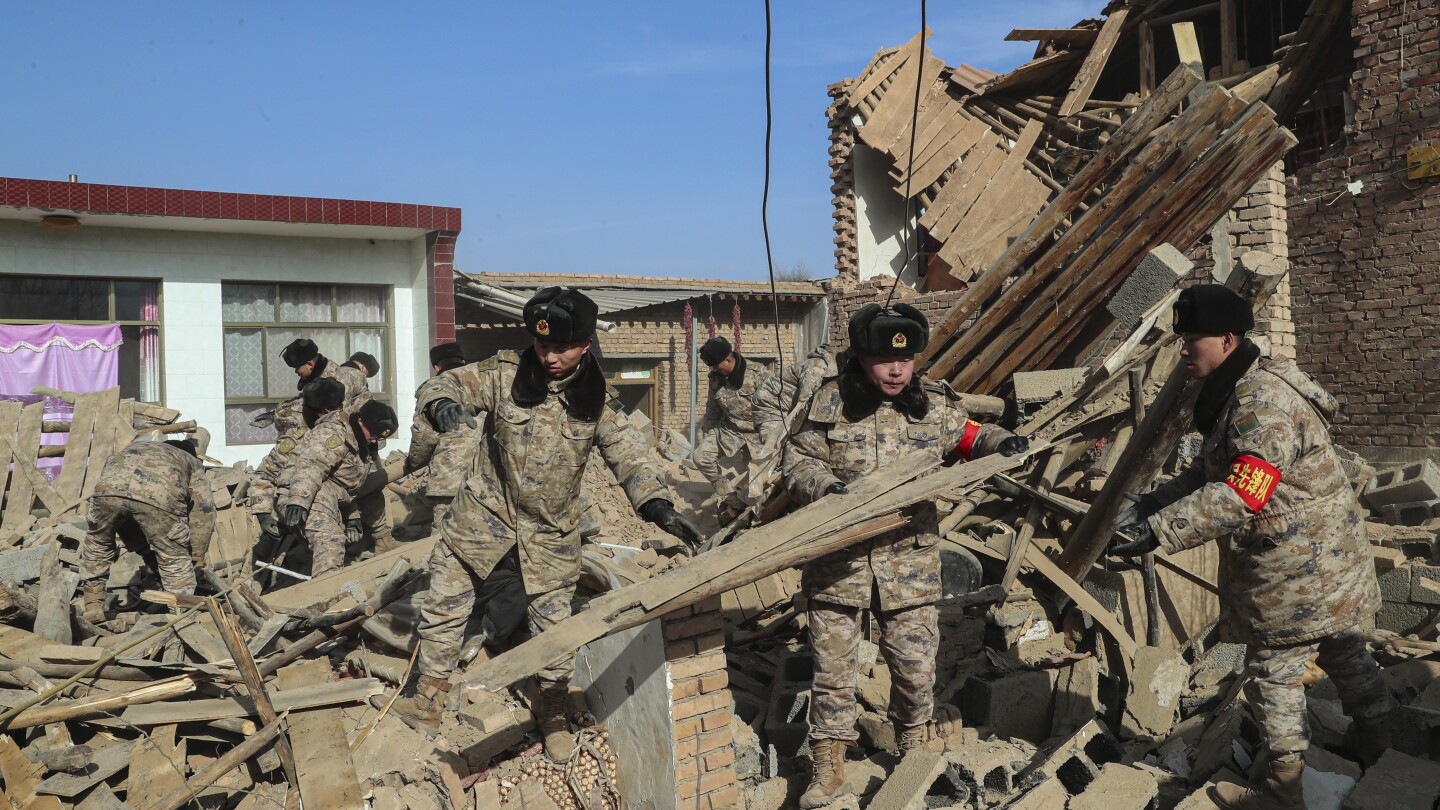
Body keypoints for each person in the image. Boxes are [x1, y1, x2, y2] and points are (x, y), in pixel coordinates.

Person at [1109, 284, 1394, 810]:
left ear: (1227, 338)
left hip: (1298, 571)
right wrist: (1151, 506)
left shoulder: (1260, 402)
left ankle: (1284, 793)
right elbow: (1211, 470)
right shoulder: (1238, 386)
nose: (1183, 351)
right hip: (1320, 563)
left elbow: (1244, 491)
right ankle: (1385, 750)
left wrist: (1162, 530)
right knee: (1344, 650)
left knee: (1274, 676)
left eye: (1192, 339)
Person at [390, 286, 703, 760]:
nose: (550, 357)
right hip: (481, 519)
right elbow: (444, 384)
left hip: (551, 535)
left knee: (554, 632)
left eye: (561, 347)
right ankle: (427, 699)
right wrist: (442, 405)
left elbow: (630, 459)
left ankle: (552, 710)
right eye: (542, 346)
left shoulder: (596, 399)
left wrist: (658, 506)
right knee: (443, 611)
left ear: (585, 345)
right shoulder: (502, 375)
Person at [782, 303, 1029, 808]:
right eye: (883, 360)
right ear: (861, 357)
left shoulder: (930, 403)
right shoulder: (829, 402)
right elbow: (797, 460)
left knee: (915, 668)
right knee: (833, 673)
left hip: (908, 566)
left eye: (907, 359)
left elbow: (969, 437)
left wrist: (1004, 442)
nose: (897, 370)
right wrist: (825, 487)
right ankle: (828, 768)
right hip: (839, 564)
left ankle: (913, 752)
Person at [79, 431, 216, 624]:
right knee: (173, 558)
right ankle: (182, 616)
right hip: (157, 496)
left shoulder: (131, 449)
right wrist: (194, 557)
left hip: (108, 491)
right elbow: (204, 513)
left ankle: (93, 607)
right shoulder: (190, 461)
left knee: (98, 543)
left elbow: (125, 503)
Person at [278, 399, 399, 576]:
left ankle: (383, 541)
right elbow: (312, 466)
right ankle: (328, 585)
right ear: (360, 421)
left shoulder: (363, 439)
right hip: (304, 490)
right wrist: (298, 500)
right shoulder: (333, 433)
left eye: (379, 437)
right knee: (329, 538)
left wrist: (353, 513)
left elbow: (349, 484)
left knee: (373, 490)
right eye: (373, 433)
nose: (374, 439)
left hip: (333, 491)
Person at [248, 378, 346, 544]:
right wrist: (263, 514)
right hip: (295, 502)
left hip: (339, 498)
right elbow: (265, 474)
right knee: (326, 537)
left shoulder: (347, 428)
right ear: (325, 411)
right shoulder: (298, 439)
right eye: (336, 410)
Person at [695, 336, 764, 522]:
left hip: (757, 433)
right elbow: (713, 408)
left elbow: (774, 405)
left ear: (728, 359)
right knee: (700, 457)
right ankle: (722, 489)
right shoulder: (715, 379)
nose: (713, 369)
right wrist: (707, 432)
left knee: (759, 482)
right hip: (730, 430)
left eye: (715, 365)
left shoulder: (757, 373)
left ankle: (756, 516)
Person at [751, 343, 847, 451]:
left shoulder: (836, 370)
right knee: (776, 451)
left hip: (790, 406)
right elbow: (803, 407)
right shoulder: (817, 369)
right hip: (770, 406)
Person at [272, 338, 371, 436]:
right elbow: (304, 401)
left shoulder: (337, 382)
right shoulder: (318, 375)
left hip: (362, 430)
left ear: (310, 364)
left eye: (297, 367)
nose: (296, 371)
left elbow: (336, 416)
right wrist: (275, 413)